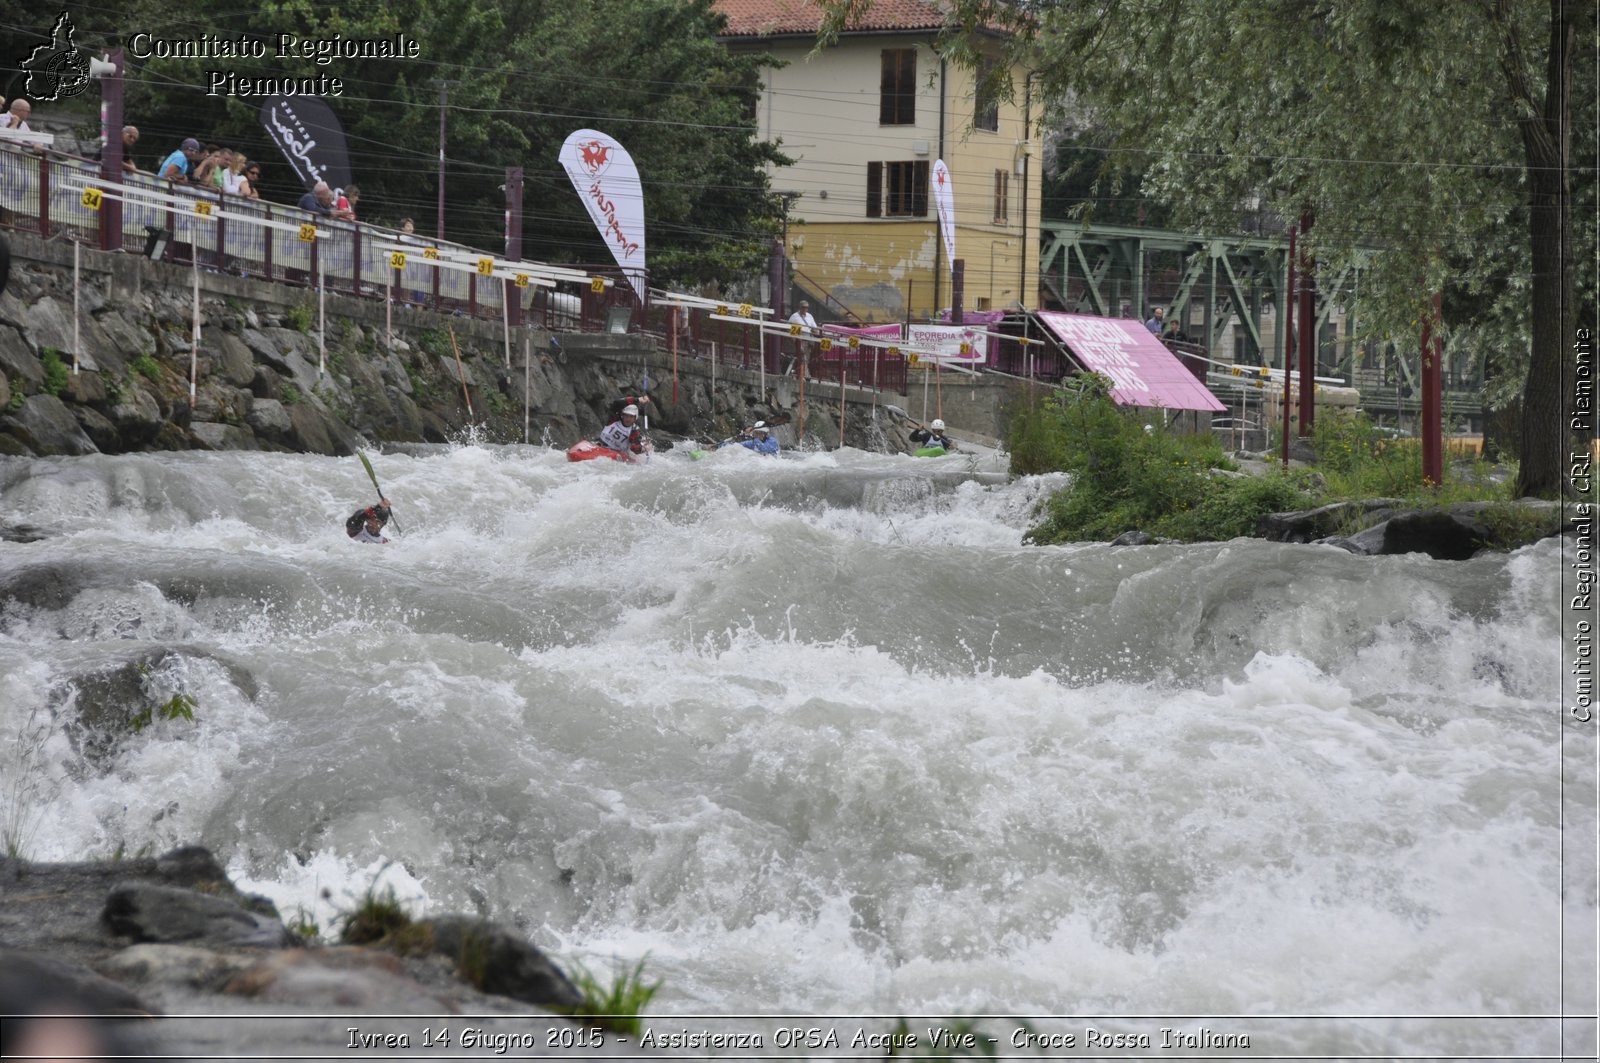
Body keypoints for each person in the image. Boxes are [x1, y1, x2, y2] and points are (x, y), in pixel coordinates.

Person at [785, 299, 818, 376]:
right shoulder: (794, 316)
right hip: (799, 339)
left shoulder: (809, 316)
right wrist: (794, 339)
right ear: (800, 307)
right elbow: (788, 328)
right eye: (803, 307)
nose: (805, 309)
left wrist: (816, 334)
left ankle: (801, 373)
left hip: (808, 339)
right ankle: (806, 375)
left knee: (806, 358)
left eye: (806, 307)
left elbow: (815, 329)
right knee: (803, 357)